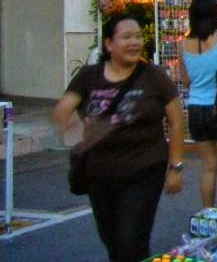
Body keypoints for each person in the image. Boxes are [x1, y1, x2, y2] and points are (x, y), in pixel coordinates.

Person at [51, 14, 185, 262]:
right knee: (113, 242)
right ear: (109, 44)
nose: (134, 42)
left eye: (137, 36)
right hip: (99, 176)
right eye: (126, 37)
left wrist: (175, 167)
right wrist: (80, 133)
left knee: (131, 241)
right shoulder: (89, 76)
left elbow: (176, 122)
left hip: (144, 173)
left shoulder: (154, 77)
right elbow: (62, 112)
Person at [178, 0, 217, 208]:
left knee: (209, 166)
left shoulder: (183, 45)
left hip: (195, 109)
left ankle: (208, 214)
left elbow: (185, 80)